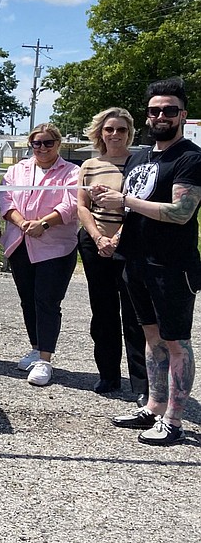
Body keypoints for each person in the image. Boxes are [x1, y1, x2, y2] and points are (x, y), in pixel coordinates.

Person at [100, 78, 201, 446]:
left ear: (182, 115)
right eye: (155, 110)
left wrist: (124, 201)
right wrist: (116, 227)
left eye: (170, 110)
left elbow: (180, 212)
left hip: (172, 265)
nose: (161, 116)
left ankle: (175, 419)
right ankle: (154, 407)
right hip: (136, 260)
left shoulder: (190, 157)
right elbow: (136, 206)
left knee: (177, 342)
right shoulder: (140, 158)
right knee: (151, 336)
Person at [0, 123, 80, 387]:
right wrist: (23, 224)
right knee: (28, 300)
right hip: (20, 242)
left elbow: (71, 203)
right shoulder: (16, 170)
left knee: (47, 300)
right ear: (30, 145)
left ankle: (46, 358)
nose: (42, 148)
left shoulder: (72, 172)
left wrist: (44, 223)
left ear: (58, 144)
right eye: (37, 143)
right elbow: (6, 199)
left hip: (55, 246)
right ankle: (35, 346)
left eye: (48, 143)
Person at [76, 107, 147, 399]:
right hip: (95, 244)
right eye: (109, 130)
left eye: (121, 129)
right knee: (103, 312)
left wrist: (117, 238)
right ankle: (108, 375)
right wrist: (97, 236)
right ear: (100, 133)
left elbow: (139, 205)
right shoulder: (90, 165)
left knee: (135, 315)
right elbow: (82, 206)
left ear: (129, 132)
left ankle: (142, 384)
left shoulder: (139, 162)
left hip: (129, 243)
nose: (115, 135)